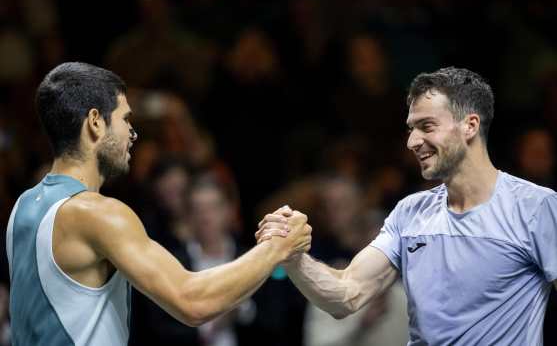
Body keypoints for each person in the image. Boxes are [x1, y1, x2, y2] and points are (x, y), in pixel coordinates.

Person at [6, 62, 311, 345]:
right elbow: (193, 302)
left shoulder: (22, 207)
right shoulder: (97, 213)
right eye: (125, 120)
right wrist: (277, 247)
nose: (132, 135)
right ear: (96, 123)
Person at [257, 67, 557, 345]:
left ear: (470, 125)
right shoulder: (410, 212)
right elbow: (345, 293)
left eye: (426, 126)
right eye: (411, 129)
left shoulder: (537, 208)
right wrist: (292, 255)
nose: (413, 141)